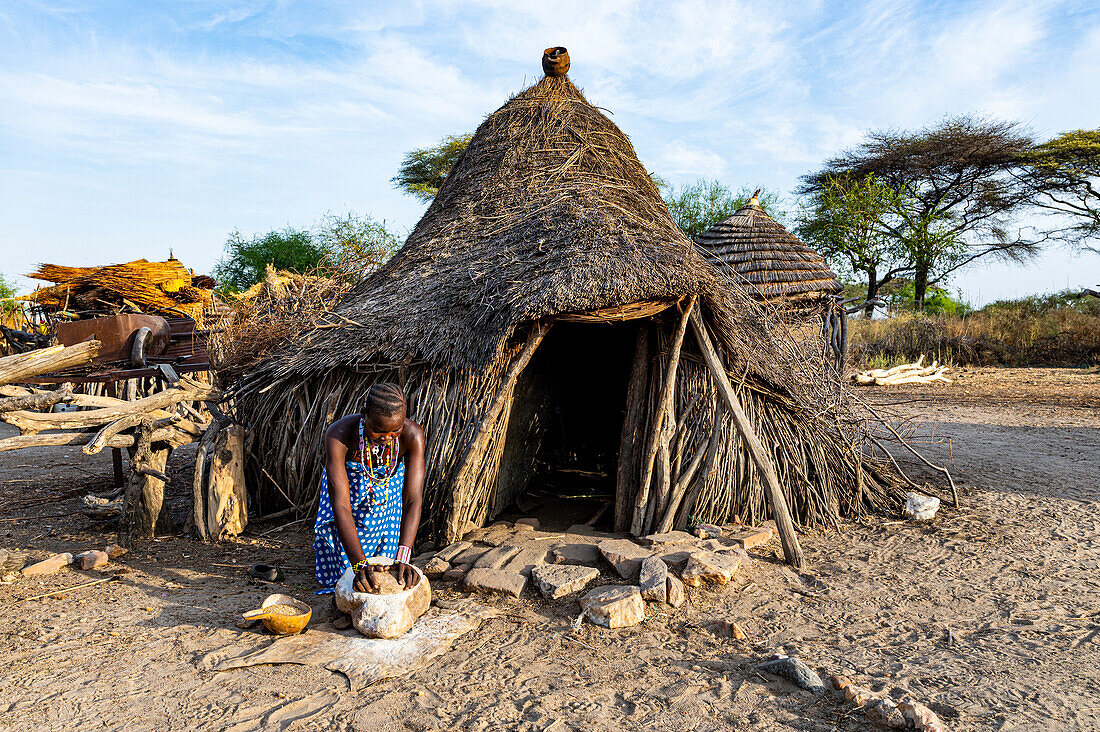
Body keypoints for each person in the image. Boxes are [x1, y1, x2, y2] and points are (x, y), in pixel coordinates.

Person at [313, 382, 425, 615]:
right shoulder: (340, 435)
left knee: (385, 572)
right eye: (378, 431)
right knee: (349, 581)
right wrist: (358, 565)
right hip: (349, 508)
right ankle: (348, 561)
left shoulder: (412, 435)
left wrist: (404, 555)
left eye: (394, 431)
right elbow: (341, 505)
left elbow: (413, 499)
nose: (386, 438)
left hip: (387, 509)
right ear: (364, 415)